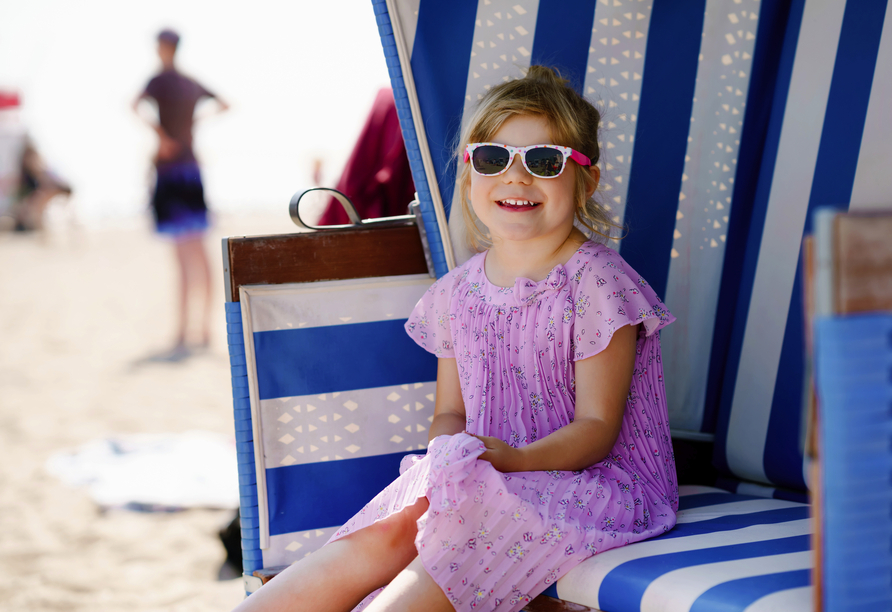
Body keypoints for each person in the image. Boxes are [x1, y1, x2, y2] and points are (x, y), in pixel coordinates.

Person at [234, 66, 678, 612]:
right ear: (468, 175)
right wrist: (449, 454)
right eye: (494, 159)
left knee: (462, 532)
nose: (517, 178)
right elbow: (450, 414)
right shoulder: (457, 293)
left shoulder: (597, 283)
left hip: (597, 485)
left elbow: (597, 430)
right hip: (493, 473)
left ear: (586, 180)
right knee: (398, 523)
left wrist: (511, 461)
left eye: (545, 161)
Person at [132, 28, 229, 356]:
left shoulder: (159, 80)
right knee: (198, 252)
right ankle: (203, 328)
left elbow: (133, 106)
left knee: (183, 255)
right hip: (191, 169)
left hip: (172, 171)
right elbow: (225, 105)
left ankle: (183, 328)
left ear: (162, 47)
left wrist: (161, 136)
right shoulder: (190, 82)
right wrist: (194, 124)